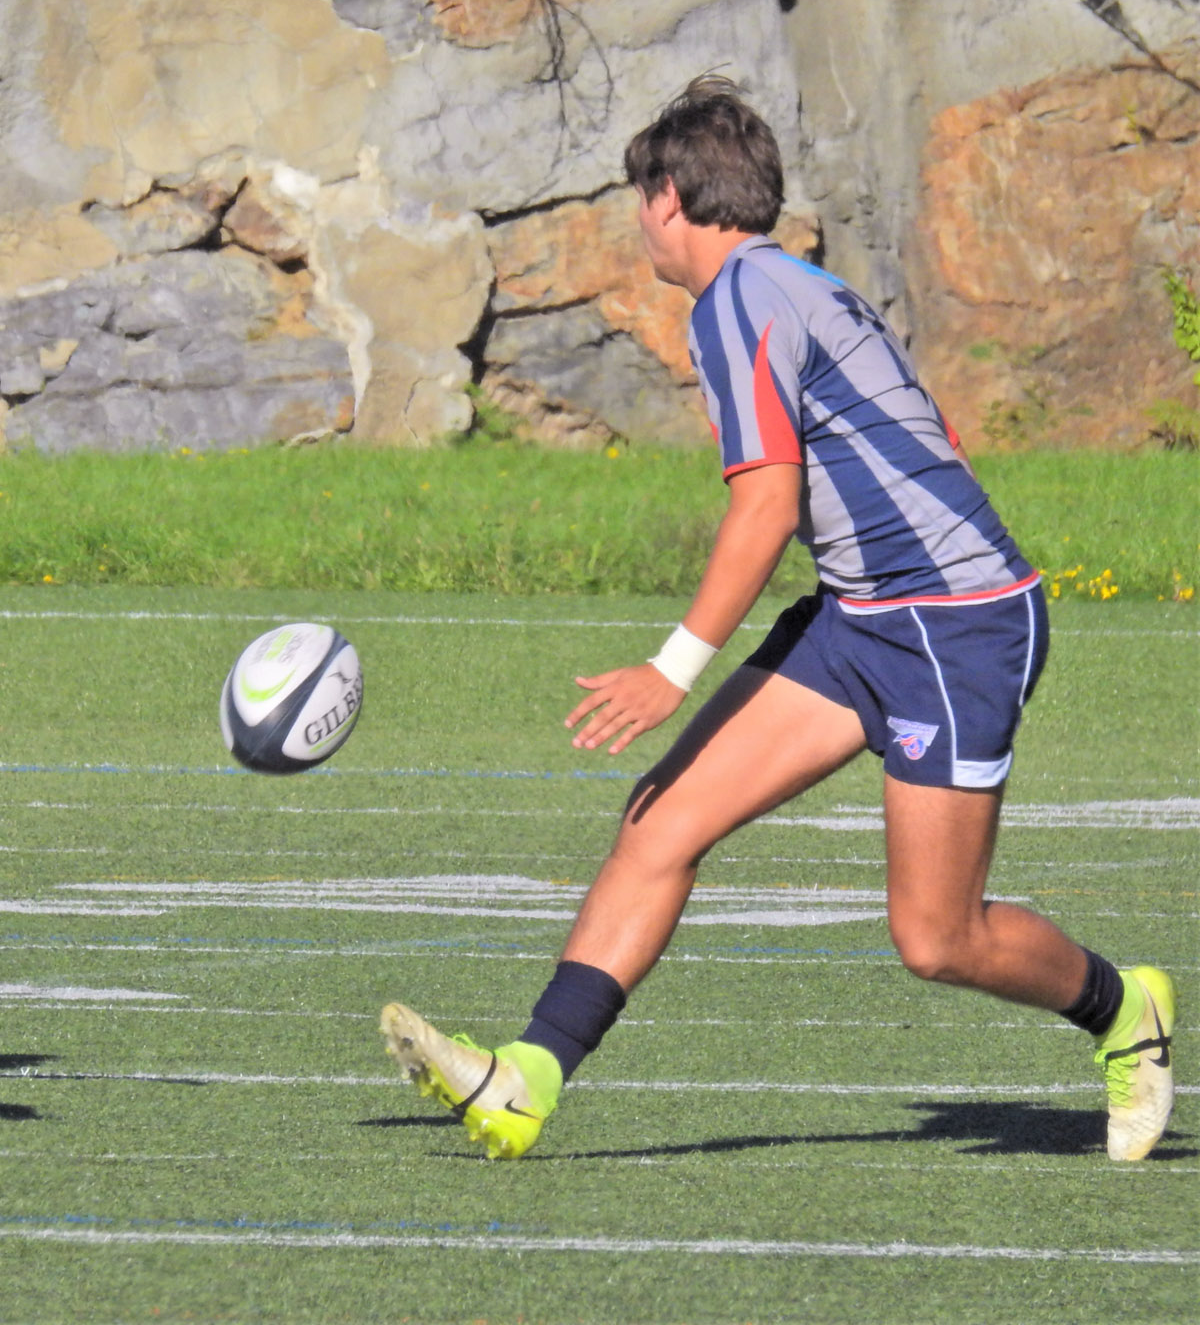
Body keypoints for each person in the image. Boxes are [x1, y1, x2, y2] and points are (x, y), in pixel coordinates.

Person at [379, 76, 1175, 1164]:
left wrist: (673, 666)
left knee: (935, 938)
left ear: (667, 196)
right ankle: (525, 1079)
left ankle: (1121, 1009)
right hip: (862, 614)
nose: (637, 227)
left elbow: (761, 504)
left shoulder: (739, 301)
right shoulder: (795, 285)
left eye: (636, 202)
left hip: (954, 626)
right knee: (660, 819)